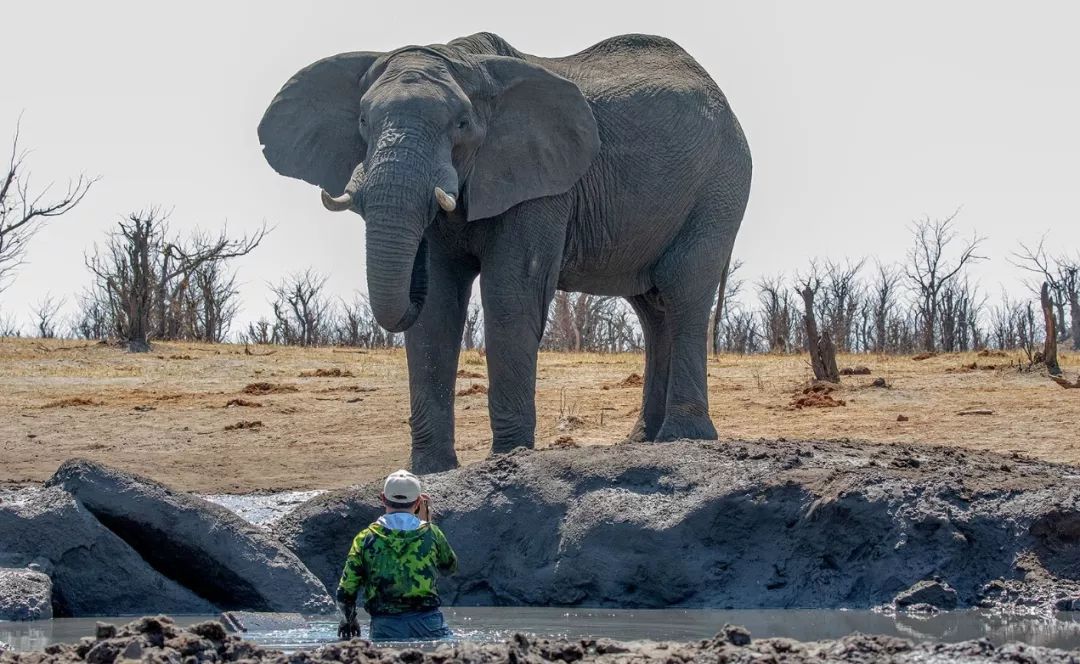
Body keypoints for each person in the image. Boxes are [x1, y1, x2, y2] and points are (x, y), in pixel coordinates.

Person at [336, 470, 458, 641]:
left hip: (385, 625)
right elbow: (449, 568)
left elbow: (346, 591)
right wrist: (427, 521)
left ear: (383, 498)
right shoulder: (432, 533)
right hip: (429, 623)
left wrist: (348, 620)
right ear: (417, 502)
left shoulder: (365, 538)